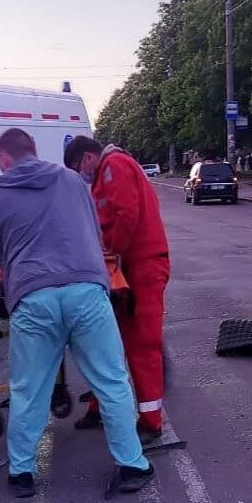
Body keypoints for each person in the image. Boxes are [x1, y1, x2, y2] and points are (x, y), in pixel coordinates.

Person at [0, 129, 153, 499]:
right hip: (86, 290)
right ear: (34, 151)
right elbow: (91, 230)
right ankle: (133, 463)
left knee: (29, 389)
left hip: (33, 298)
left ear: (4, 159)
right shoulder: (73, 179)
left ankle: (22, 473)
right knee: (111, 380)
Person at [64, 136, 171, 444]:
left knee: (141, 345)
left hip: (141, 267)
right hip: (127, 267)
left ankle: (151, 421)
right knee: (109, 343)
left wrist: (111, 256)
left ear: (87, 158)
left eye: (77, 169)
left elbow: (126, 215)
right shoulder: (104, 175)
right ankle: (102, 407)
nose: (80, 177)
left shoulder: (115, 166)